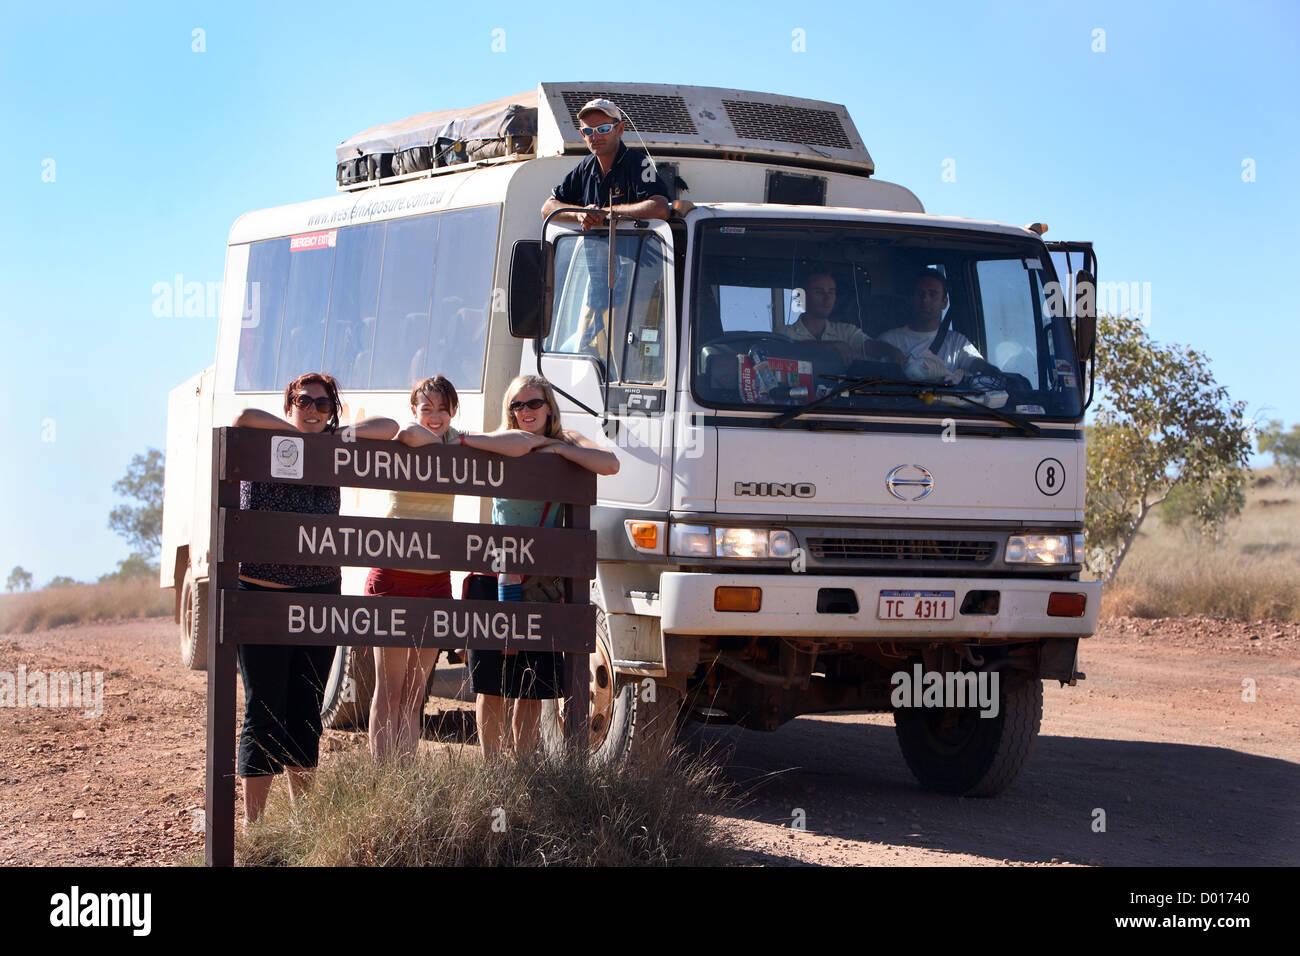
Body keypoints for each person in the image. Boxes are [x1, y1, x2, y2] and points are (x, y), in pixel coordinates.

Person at [231, 372, 397, 823]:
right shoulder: (264, 437)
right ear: (289, 404)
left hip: (318, 597)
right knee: (263, 709)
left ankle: (303, 821)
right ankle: (255, 824)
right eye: (304, 402)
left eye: (323, 405)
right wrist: (298, 435)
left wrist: (333, 435)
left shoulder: (335, 449)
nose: (313, 410)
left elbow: (390, 429)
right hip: (261, 596)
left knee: (305, 709)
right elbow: (241, 414)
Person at [467, 374, 620, 759]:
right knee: (493, 684)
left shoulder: (566, 440)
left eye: (533, 403)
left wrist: (555, 448)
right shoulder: (504, 440)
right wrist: (528, 443)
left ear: (549, 405)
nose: (525, 412)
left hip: (542, 581)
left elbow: (609, 463)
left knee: (533, 686)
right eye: (517, 405)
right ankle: (492, 770)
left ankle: (521, 769)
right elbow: (469, 441)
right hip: (498, 575)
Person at [366, 375, 462, 762]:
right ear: (415, 410)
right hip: (392, 574)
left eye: (442, 409)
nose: (434, 417)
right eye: (427, 409)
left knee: (414, 691)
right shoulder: (416, 436)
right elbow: (405, 433)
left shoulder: (460, 440)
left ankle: (402, 775)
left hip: (435, 580)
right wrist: (445, 444)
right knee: (387, 690)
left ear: (453, 410)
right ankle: (380, 776)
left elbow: (501, 443)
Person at [540, 98, 671, 230]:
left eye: (603, 129)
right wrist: (579, 213)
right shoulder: (586, 167)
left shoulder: (638, 162)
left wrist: (606, 213)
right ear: (582, 134)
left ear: (620, 129)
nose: (595, 137)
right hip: (593, 250)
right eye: (588, 131)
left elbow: (660, 208)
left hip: (631, 250)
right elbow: (547, 208)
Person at [879, 269, 999, 380]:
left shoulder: (957, 343)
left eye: (933, 294)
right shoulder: (888, 341)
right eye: (921, 294)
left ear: (944, 303)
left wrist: (992, 371)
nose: (925, 300)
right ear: (911, 299)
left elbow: (974, 362)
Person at [783, 270, 903, 365]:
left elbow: (868, 346)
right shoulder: (785, 333)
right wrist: (832, 346)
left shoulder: (846, 331)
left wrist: (890, 351)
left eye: (831, 292)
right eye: (819, 292)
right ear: (801, 297)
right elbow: (785, 348)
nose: (827, 298)